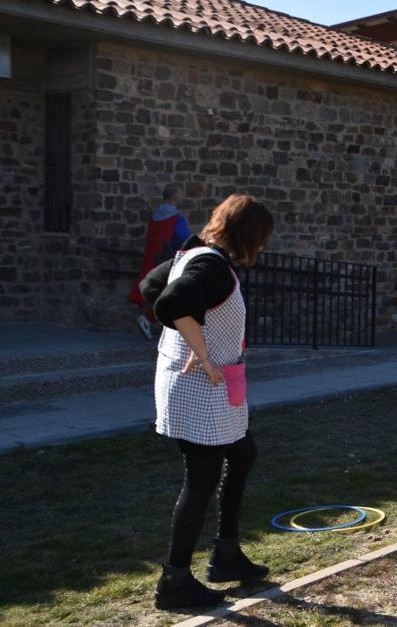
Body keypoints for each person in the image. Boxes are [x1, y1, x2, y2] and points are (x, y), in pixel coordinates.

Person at [141, 194, 274, 610]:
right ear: (248, 234)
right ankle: (174, 581)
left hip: (213, 387)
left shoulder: (197, 254)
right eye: (263, 238)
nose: (265, 247)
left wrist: (192, 343)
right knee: (201, 479)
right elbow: (172, 301)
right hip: (200, 389)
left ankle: (227, 554)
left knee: (243, 451)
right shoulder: (210, 264)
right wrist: (200, 352)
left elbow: (150, 285)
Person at [129, 184, 191, 339]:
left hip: (152, 260)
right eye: (181, 194)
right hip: (169, 262)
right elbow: (185, 240)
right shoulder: (176, 219)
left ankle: (150, 321)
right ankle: (150, 321)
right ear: (175, 197)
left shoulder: (154, 217)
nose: (183, 197)